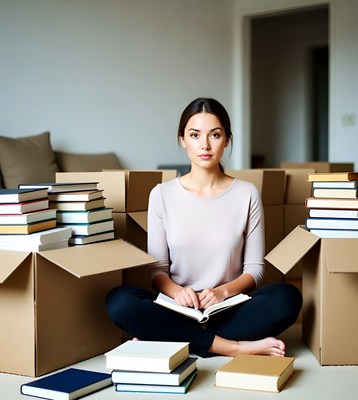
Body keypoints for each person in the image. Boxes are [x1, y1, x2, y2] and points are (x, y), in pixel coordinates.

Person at [106, 97, 302, 358]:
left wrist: (222, 292)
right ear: (182, 139)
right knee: (119, 302)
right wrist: (178, 293)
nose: (205, 145)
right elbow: (157, 271)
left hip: (228, 308)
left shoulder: (247, 193)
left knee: (287, 297)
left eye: (215, 135)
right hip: (177, 308)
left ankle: (171, 339)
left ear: (227, 140)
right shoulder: (161, 194)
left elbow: (255, 271)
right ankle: (232, 347)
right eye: (195, 135)